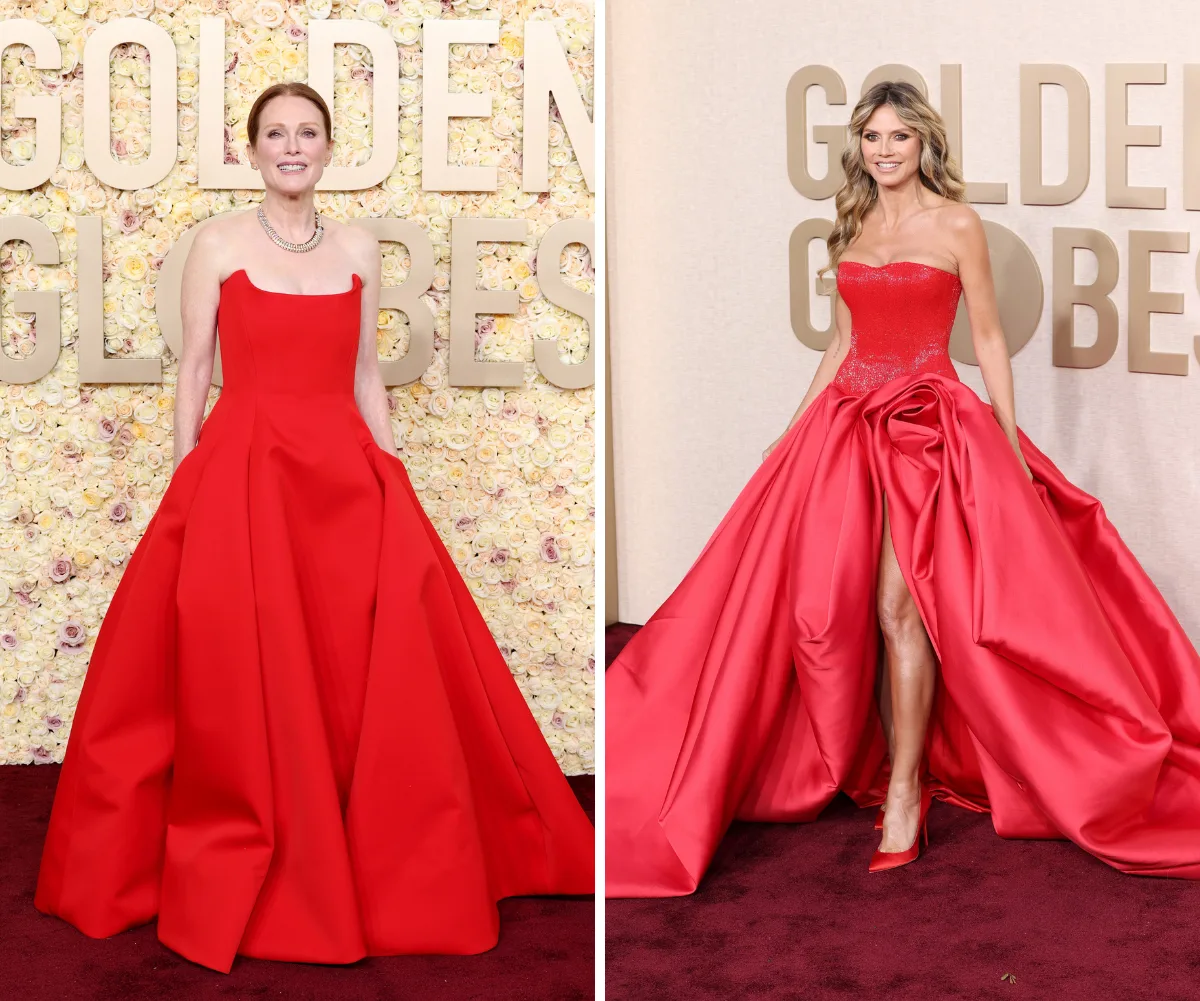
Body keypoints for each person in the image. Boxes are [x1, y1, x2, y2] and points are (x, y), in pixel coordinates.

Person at [35, 82, 594, 972]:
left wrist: (391, 471)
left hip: (342, 473)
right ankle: (267, 852)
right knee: (239, 666)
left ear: (329, 148)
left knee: (357, 659)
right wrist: (189, 481)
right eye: (275, 134)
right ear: (252, 149)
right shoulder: (216, 245)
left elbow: (366, 371)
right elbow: (195, 372)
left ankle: (370, 845)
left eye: (307, 133)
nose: (291, 147)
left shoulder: (359, 248)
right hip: (246, 473)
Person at [606, 80, 1200, 895]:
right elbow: (843, 342)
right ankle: (869, 759)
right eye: (874, 138)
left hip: (929, 428)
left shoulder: (956, 223)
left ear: (926, 145)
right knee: (822, 605)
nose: (885, 151)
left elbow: (986, 334)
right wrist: (793, 431)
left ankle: (905, 794)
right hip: (849, 424)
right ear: (862, 147)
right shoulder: (851, 225)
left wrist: (1008, 442)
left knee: (900, 604)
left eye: (900, 138)